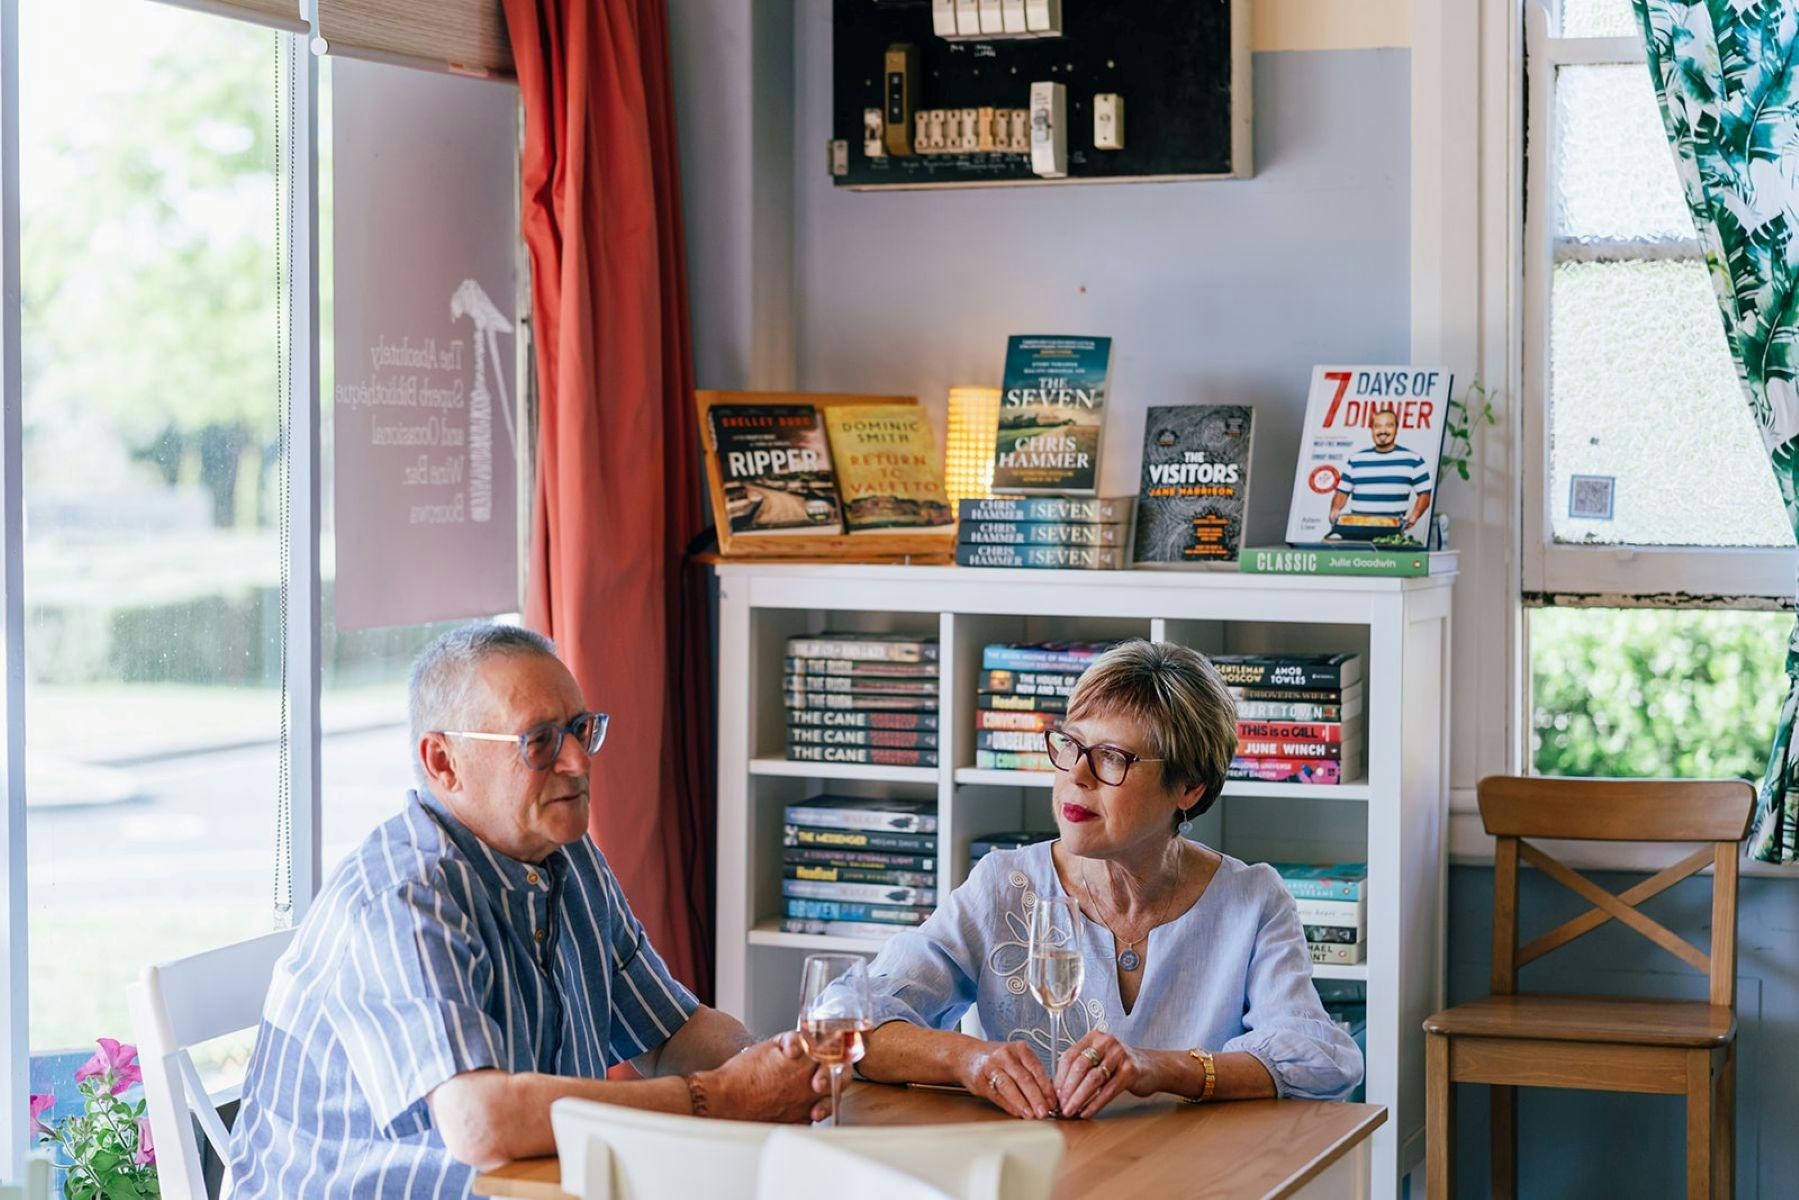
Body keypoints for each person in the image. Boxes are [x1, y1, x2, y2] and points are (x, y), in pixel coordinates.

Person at [226, 625, 824, 1198]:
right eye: (539, 741)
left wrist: (784, 1069)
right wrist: (717, 1099)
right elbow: (479, 1123)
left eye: (581, 730)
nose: (578, 763)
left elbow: (672, 1032)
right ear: (443, 763)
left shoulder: (565, 851)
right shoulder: (405, 896)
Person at [852, 640, 1362, 1119]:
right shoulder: (1002, 885)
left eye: (1112, 758)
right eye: (1072, 745)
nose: (1078, 773)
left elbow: (1319, 1059)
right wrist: (967, 1060)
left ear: (1188, 787)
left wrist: (1159, 1067)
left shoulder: (1251, 900)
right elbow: (848, 1019)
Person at [1328, 407, 1433, 537]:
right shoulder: (1355, 460)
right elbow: (1342, 492)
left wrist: (1414, 516)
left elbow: (1425, 494)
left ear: (1396, 429)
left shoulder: (1414, 460)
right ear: (1372, 430)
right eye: (1377, 426)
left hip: (1392, 535)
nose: (1383, 431)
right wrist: (1335, 510)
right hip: (1356, 534)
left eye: (1389, 426)